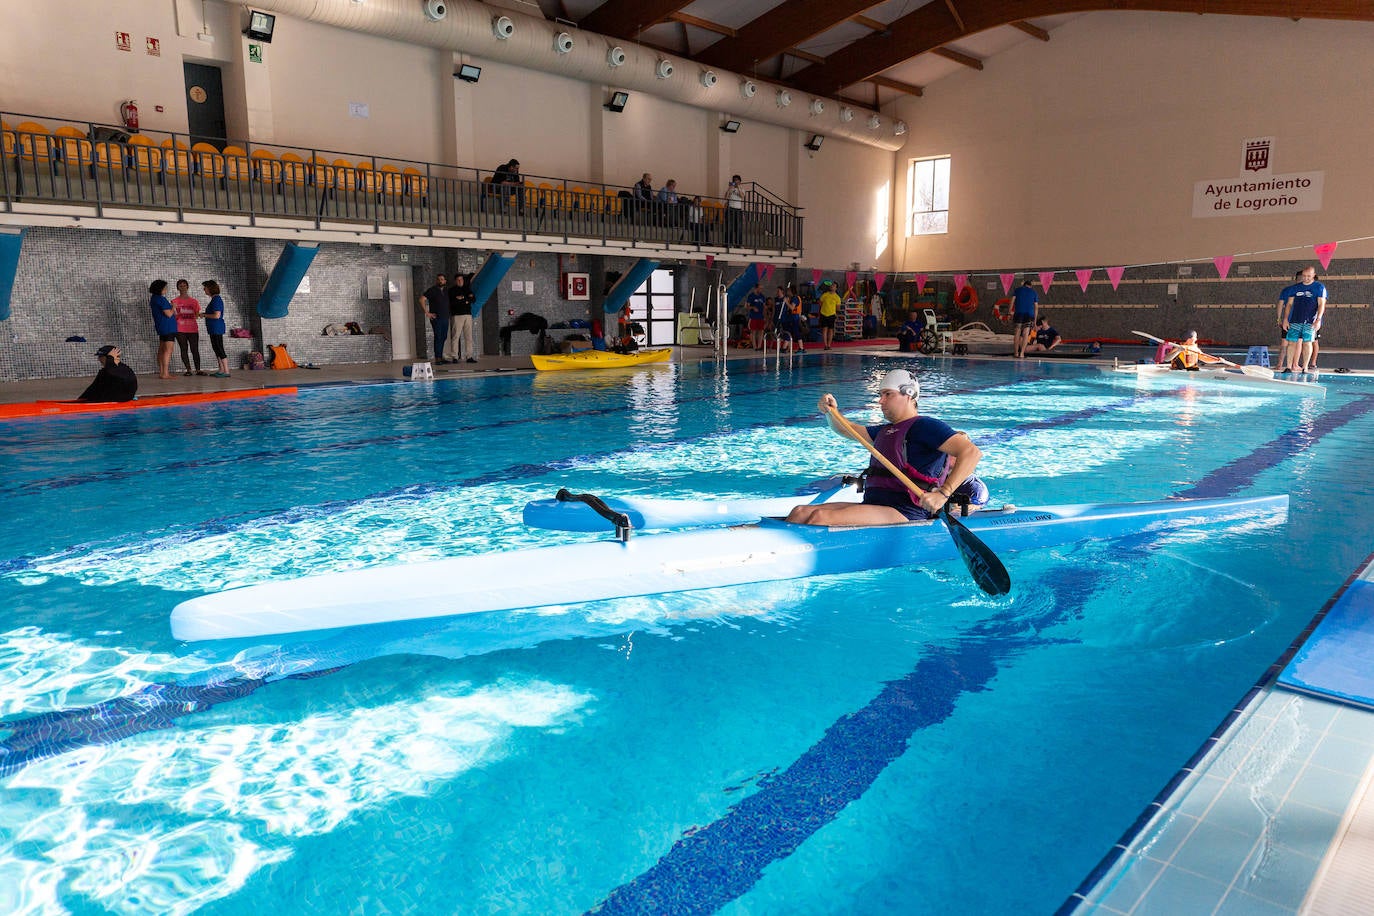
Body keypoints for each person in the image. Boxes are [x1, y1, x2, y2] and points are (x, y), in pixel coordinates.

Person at [785, 369, 988, 526]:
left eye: (887, 394)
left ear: (908, 395)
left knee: (820, 517)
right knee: (800, 512)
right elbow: (846, 430)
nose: (880, 401)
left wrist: (943, 494)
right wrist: (830, 412)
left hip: (905, 511)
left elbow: (971, 452)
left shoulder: (926, 426)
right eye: (881, 394)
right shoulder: (886, 431)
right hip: (875, 505)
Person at [1280, 266, 1326, 373]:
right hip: (1295, 319)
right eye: (1304, 276)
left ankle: (1305, 367)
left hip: (1310, 321)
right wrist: (1286, 319)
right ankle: (1289, 366)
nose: (1306, 278)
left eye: (1308, 276)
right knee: (1291, 342)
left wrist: (1318, 319)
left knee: (1307, 342)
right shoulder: (1296, 288)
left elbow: (1321, 304)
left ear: (1314, 275)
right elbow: (1289, 304)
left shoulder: (1319, 287)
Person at [171, 278, 204, 376]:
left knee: (195, 349)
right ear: (178, 288)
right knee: (183, 348)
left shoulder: (194, 302)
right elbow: (172, 314)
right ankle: (188, 369)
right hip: (180, 329)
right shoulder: (174, 301)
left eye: (184, 285)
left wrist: (199, 315)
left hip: (192, 329)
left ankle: (198, 370)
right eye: (180, 286)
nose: (183, 287)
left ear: (187, 287)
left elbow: (197, 315)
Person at [1274, 270, 1303, 374]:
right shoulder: (1303, 291)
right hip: (1298, 321)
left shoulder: (1286, 290)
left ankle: (1279, 364)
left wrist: (1279, 318)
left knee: (1284, 343)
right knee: (1298, 342)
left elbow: (1280, 304)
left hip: (1287, 321)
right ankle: (1295, 364)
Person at [148, 279, 177, 379]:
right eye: (165, 288)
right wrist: (173, 307)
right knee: (168, 350)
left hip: (161, 326)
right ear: (160, 289)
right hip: (168, 327)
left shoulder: (154, 298)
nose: (166, 289)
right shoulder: (161, 299)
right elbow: (168, 314)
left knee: (161, 349)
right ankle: (165, 373)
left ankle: (162, 372)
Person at [201, 280, 231, 377]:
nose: (204, 289)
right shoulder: (214, 299)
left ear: (210, 289)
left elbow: (217, 315)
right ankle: (221, 369)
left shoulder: (217, 299)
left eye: (205, 288)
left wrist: (204, 315)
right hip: (213, 328)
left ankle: (226, 371)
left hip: (216, 327)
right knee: (216, 348)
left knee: (219, 348)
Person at [419, 273, 449, 363]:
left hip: (445, 317)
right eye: (439, 279)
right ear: (436, 281)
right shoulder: (432, 290)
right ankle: (437, 358)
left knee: (444, 337)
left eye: (442, 279)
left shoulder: (447, 290)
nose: (440, 281)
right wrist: (427, 313)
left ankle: (440, 356)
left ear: (445, 281)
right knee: (438, 337)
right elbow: (421, 299)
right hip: (436, 318)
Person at [447, 272, 477, 363]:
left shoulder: (467, 289)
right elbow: (452, 303)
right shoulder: (451, 291)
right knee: (456, 336)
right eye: (458, 280)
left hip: (468, 315)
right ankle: (455, 357)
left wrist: (462, 299)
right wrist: (466, 300)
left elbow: (473, 299)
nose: (460, 281)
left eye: (461, 279)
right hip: (457, 316)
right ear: (455, 281)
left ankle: (469, 356)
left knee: (469, 336)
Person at [1010, 278, 1039, 358]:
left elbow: (1012, 301)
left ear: (1024, 285)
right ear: (1030, 286)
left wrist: (1009, 312)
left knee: (1017, 334)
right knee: (1025, 334)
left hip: (1018, 314)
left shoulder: (1017, 290)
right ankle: (1022, 354)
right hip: (1029, 315)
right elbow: (1036, 307)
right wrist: (1035, 321)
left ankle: (1016, 353)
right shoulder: (1034, 292)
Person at [818, 280, 841, 350]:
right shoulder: (825, 295)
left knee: (831, 330)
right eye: (831, 285)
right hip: (824, 314)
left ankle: (829, 345)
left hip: (832, 315)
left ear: (836, 288)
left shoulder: (837, 297)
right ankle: (825, 345)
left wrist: (836, 314)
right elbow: (820, 303)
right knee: (824, 329)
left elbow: (838, 308)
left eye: (834, 286)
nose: (832, 287)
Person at [724, 174, 745, 246]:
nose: (735, 181)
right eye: (734, 180)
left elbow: (742, 197)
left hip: (738, 210)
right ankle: (728, 243)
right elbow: (726, 197)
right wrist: (730, 188)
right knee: (729, 227)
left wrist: (738, 187)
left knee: (739, 227)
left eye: (736, 180)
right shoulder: (730, 188)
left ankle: (738, 244)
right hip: (730, 209)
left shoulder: (742, 189)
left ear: (739, 181)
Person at [745, 284, 767, 350]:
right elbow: (746, 306)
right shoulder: (751, 296)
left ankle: (759, 346)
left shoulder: (762, 296)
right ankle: (755, 346)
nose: (761, 290)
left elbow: (764, 307)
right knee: (753, 331)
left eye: (761, 288)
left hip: (761, 316)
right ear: (756, 288)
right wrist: (753, 307)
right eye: (759, 288)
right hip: (753, 316)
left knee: (761, 331)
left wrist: (765, 316)